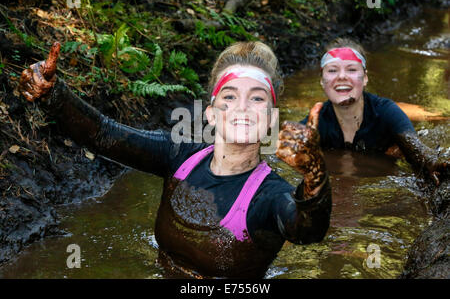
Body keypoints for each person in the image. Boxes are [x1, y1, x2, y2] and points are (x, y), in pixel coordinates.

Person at [18, 41, 332, 278]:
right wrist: (53, 95)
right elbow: (103, 134)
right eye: (230, 96)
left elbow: (307, 231)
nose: (242, 107)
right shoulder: (179, 156)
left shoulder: (270, 197)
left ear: (271, 119)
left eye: (257, 99)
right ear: (210, 113)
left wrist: (315, 176)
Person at [300, 38, 448, 186]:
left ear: (365, 78)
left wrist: (433, 163)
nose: (342, 76)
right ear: (322, 80)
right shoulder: (316, 122)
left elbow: (418, 150)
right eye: (332, 70)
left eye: (351, 69)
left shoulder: (386, 112)